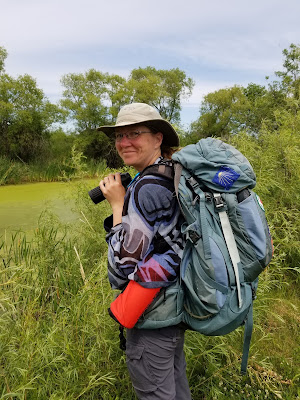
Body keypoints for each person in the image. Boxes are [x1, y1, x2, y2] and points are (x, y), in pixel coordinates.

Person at [98, 103, 191, 400]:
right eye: (119, 136)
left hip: (152, 316)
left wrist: (116, 205)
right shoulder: (173, 173)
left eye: (135, 133)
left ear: (158, 138)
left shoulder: (146, 187)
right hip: (174, 310)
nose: (124, 142)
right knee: (177, 391)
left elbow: (121, 268)